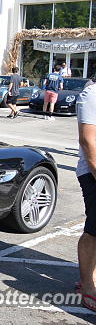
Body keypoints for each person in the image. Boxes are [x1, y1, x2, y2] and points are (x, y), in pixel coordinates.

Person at [76, 82, 96, 311]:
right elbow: (88, 141)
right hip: (92, 172)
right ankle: (87, 286)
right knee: (94, 229)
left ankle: (91, 275)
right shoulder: (92, 94)